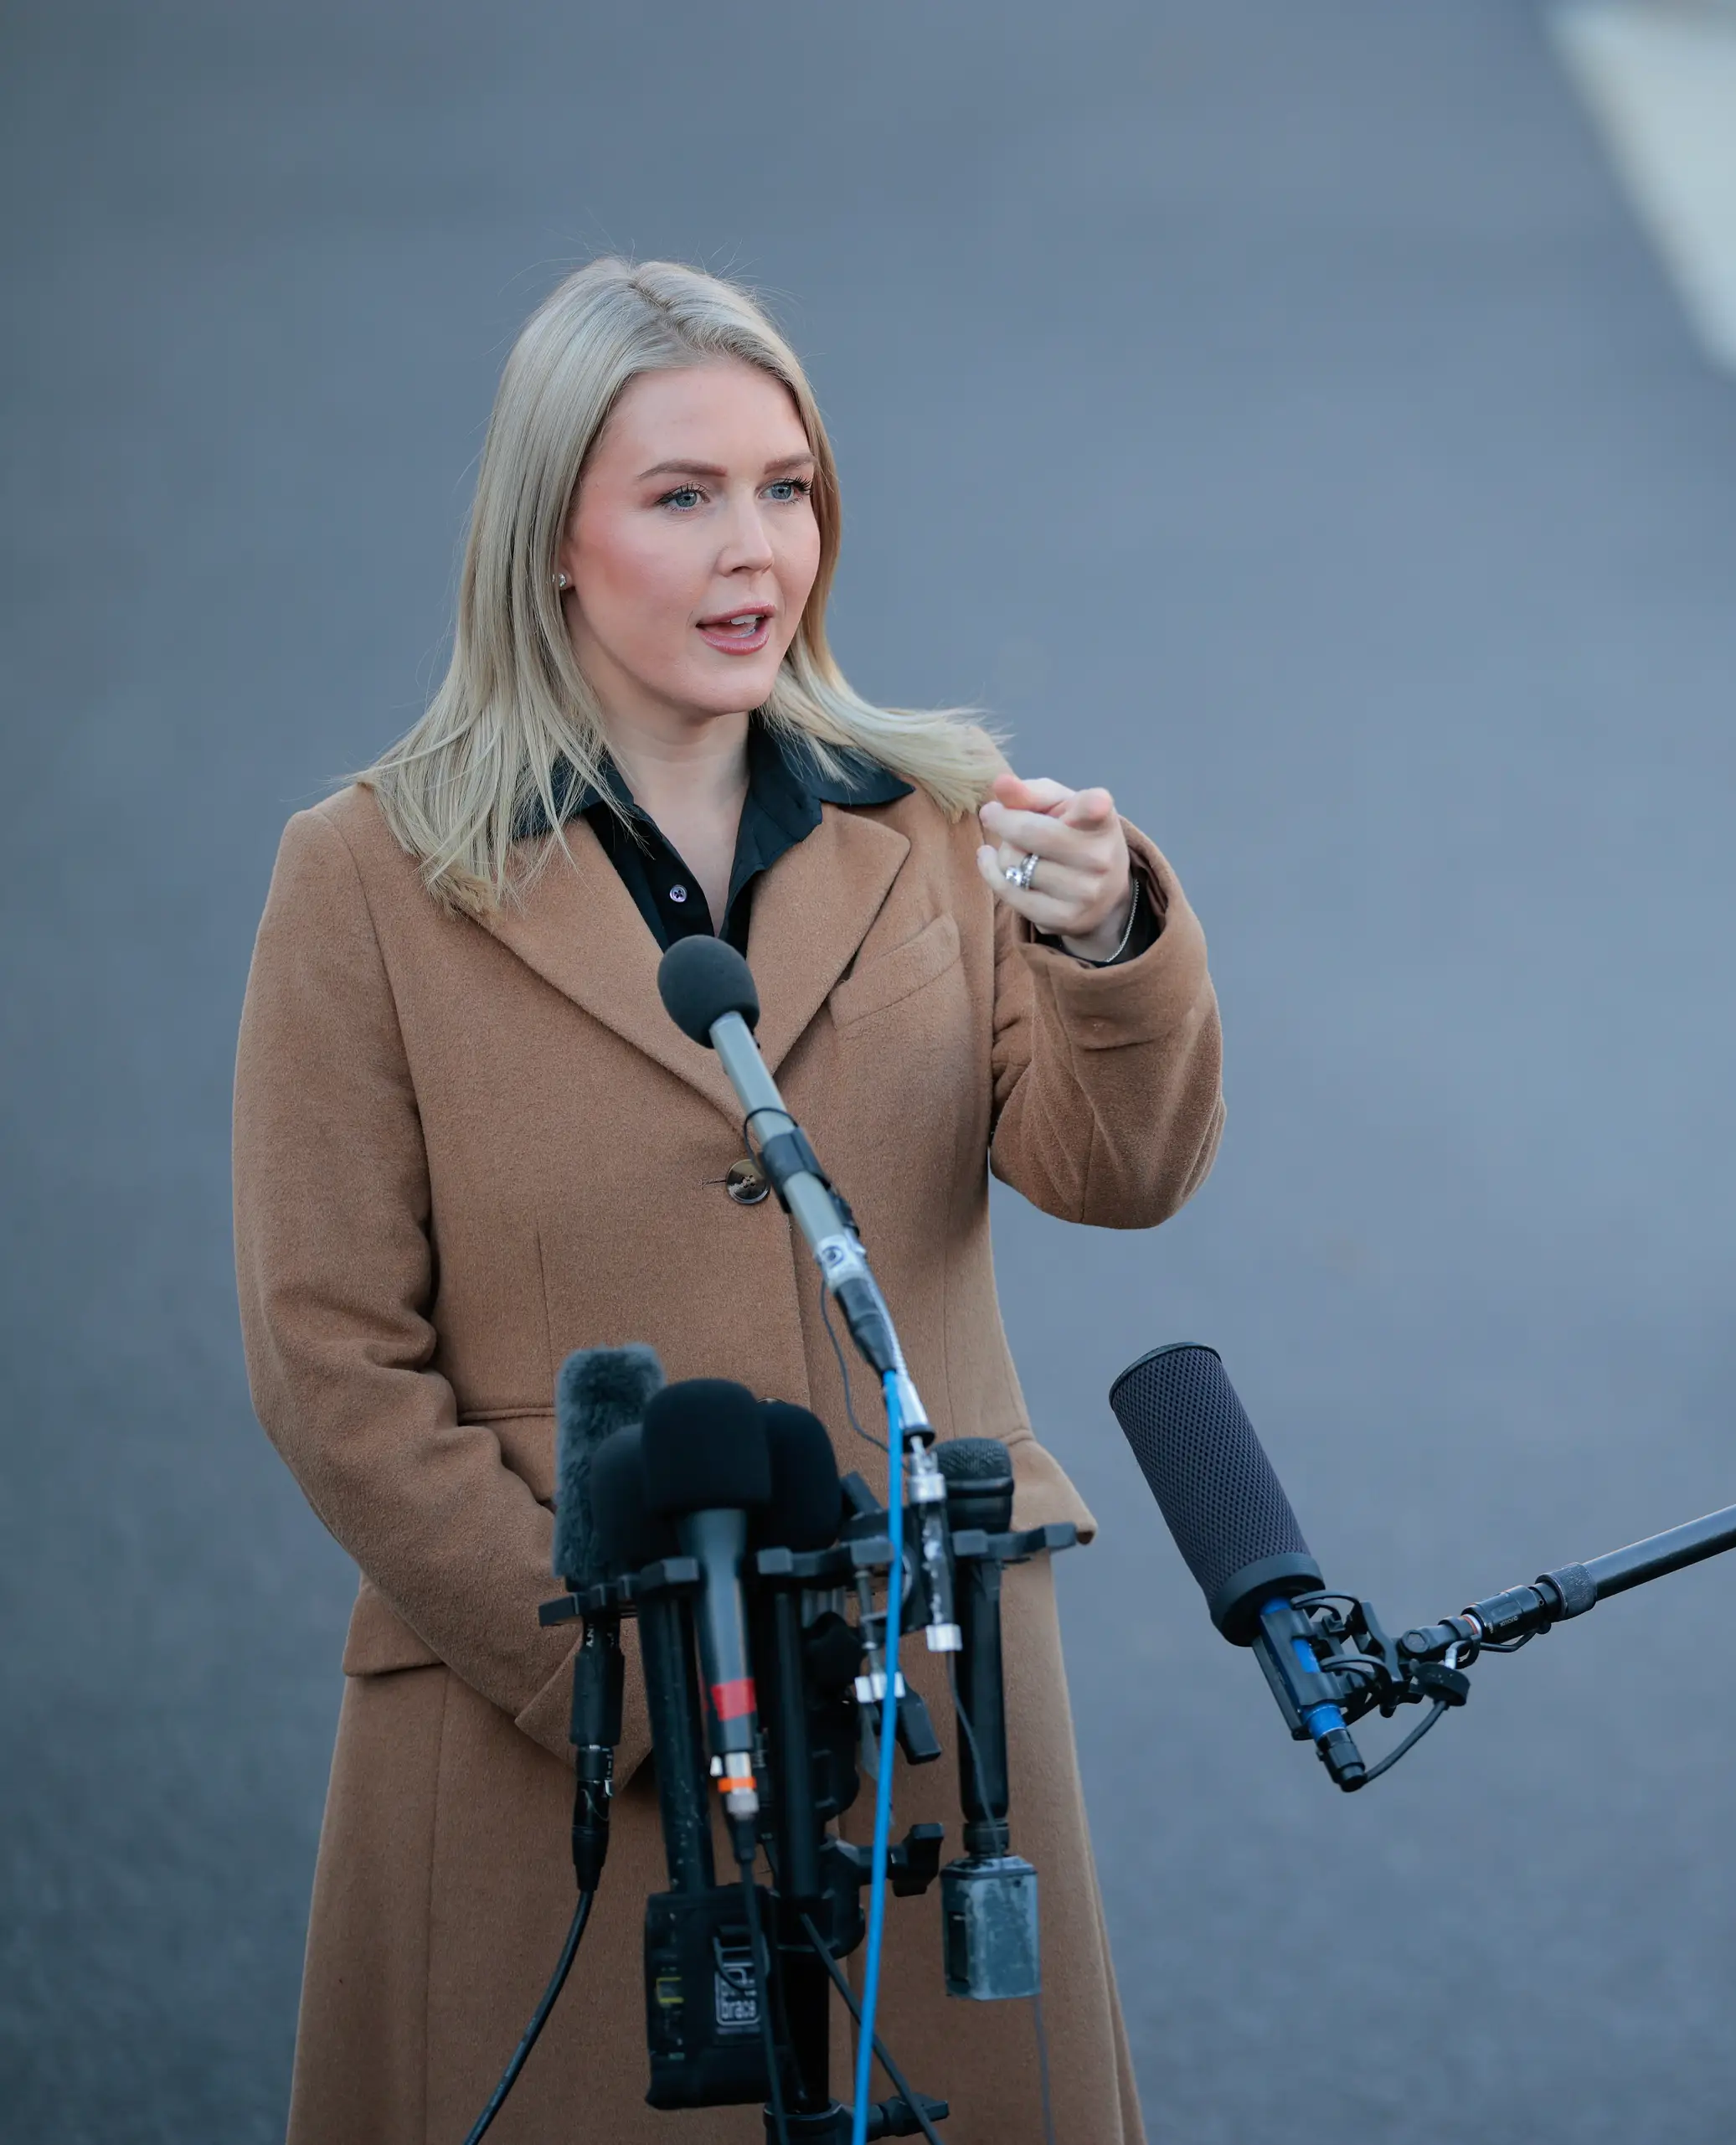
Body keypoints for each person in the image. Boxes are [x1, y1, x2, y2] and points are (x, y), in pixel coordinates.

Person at [231, 259, 1223, 2142]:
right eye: (682, 495)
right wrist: (602, 1670)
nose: (753, 547)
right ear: (552, 542)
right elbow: (329, 1358)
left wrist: (1111, 941)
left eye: (786, 487)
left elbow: (1124, 1173)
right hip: (558, 1722)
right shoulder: (364, 875)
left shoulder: (936, 815)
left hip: (923, 1696)